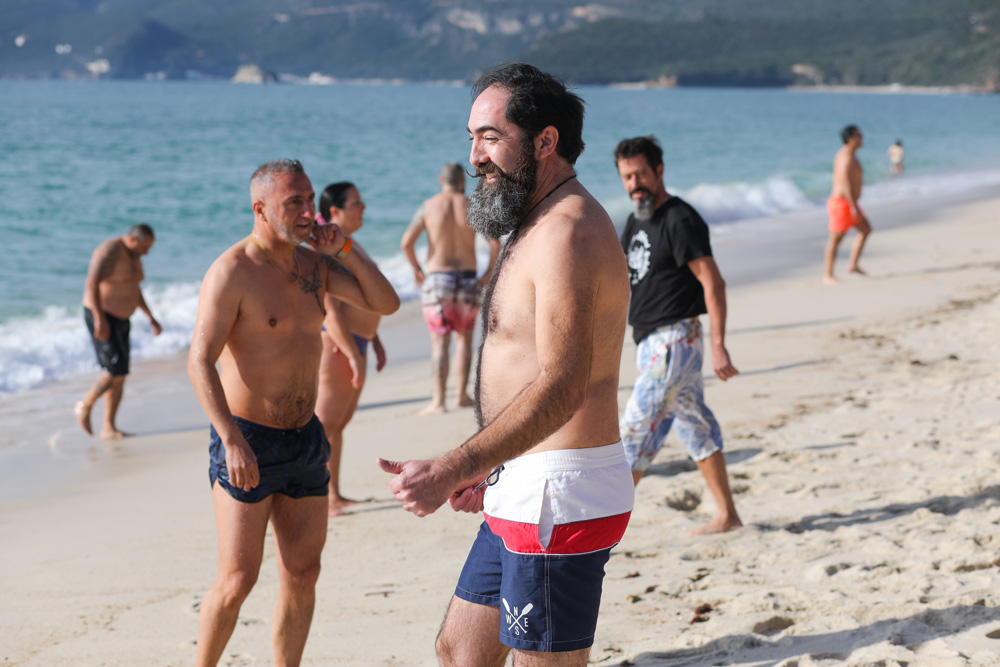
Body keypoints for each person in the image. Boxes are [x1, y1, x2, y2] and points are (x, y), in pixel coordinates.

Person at [378, 63, 634, 667]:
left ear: (545, 142)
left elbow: (563, 384)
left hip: (560, 493)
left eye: (491, 137)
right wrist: (488, 464)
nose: (475, 157)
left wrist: (451, 467)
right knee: (461, 651)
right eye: (471, 138)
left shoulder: (568, 232)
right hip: (522, 477)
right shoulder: (534, 222)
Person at [187, 159, 399, 667]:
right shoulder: (233, 270)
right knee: (238, 580)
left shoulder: (314, 266)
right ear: (260, 209)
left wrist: (344, 244)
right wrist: (230, 439)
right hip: (248, 442)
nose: (308, 212)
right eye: (294, 203)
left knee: (303, 575)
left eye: (309, 200)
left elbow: (385, 301)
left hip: (305, 440)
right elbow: (199, 361)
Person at [614, 135, 743, 537]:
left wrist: (719, 345)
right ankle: (727, 515)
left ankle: (599, 534)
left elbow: (713, 283)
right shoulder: (636, 219)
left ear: (659, 171)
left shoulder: (679, 219)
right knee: (694, 425)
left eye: (640, 174)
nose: (634, 183)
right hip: (652, 342)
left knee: (633, 431)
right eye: (626, 176)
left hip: (675, 340)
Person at [400, 162, 500, 415]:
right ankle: (461, 396)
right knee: (464, 341)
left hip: (438, 281)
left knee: (439, 344)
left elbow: (406, 243)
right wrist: (488, 273)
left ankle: (438, 401)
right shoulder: (472, 206)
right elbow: (495, 243)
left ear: (440, 180)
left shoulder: (428, 206)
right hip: (468, 279)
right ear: (463, 182)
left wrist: (417, 269)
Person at [315, 181, 389, 516]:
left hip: (357, 342)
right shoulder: (326, 249)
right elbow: (330, 308)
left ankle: (334, 493)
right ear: (335, 212)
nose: (363, 209)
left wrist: (374, 339)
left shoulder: (346, 245)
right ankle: (324, 499)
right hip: (337, 344)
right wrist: (352, 353)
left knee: (338, 424)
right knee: (325, 424)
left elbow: (362, 297)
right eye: (356, 204)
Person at [74, 224, 162, 439]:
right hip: (103, 316)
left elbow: (134, 288)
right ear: (133, 240)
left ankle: (108, 427)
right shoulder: (110, 250)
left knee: (121, 374)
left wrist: (150, 317)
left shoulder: (134, 255)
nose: (146, 252)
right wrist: (99, 318)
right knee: (113, 370)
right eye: (145, 247)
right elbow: (92, 282)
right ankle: (84, 405)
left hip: (123, 318)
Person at [824, 125, 872, 284]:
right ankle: (828, 275)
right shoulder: (846, 156)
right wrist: (853, 205)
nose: (862, 138)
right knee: (835, 240)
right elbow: (844, 182)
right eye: (859, 135)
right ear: (851, 139)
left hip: (848, 202)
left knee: (866, 230)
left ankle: (853, 265)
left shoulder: (849, 154)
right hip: (842, 204)